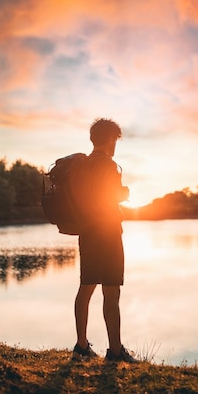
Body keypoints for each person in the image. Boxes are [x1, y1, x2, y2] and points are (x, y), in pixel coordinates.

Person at [71, 118, 138, 363]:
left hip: (87, 234)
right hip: (108, 233)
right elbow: (108, 198)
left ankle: (81, 345)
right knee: (112, 292)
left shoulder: (82, 165)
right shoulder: (108, 165)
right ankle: (116, 351)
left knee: (86, 287)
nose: (115, 145)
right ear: (111, 139)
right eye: (115, 140)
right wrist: (124, 193)